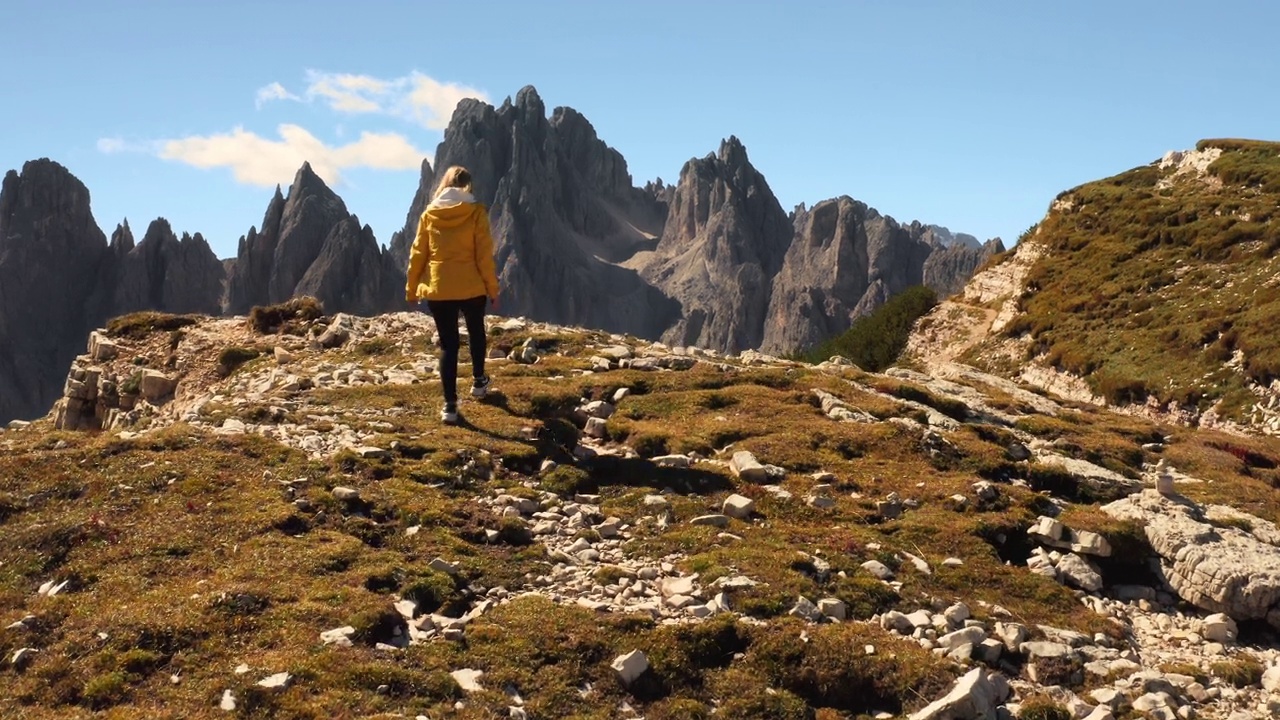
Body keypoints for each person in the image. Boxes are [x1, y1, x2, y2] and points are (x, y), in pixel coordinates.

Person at [405, 166, 500, 424]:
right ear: (468, 185)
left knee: (449, 345)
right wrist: (492, 287)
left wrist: (411, 288)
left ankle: (449, 406)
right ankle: (479, 381)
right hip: (471, 285)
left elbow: (418, 254)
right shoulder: (476, 212)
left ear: (444, 184)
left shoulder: (429, 214)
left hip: (439, 287)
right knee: (476, 332)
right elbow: (483, 255)